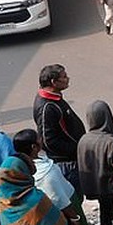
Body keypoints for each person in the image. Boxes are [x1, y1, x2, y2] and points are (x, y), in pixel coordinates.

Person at [33, 64, 86, 195]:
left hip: (70, 160)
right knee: (74, 197)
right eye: (64, 76)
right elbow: (48, 141)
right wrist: (75, 149)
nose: (68, 78)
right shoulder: (47, 107)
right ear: (53, 82)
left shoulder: (54, 99)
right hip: (66, 164)